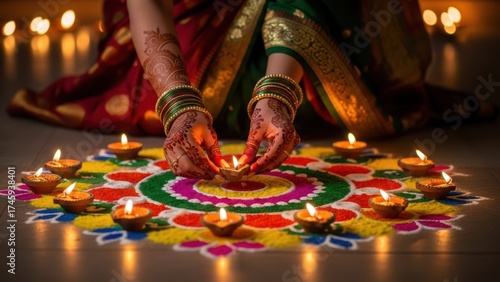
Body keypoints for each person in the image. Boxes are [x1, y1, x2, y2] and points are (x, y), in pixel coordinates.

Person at [7, 0, 496, 179]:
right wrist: (177, 101)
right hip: (203, 22)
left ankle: (277, 99)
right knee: (175, 83)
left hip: (325, 18)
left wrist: (278, 87)